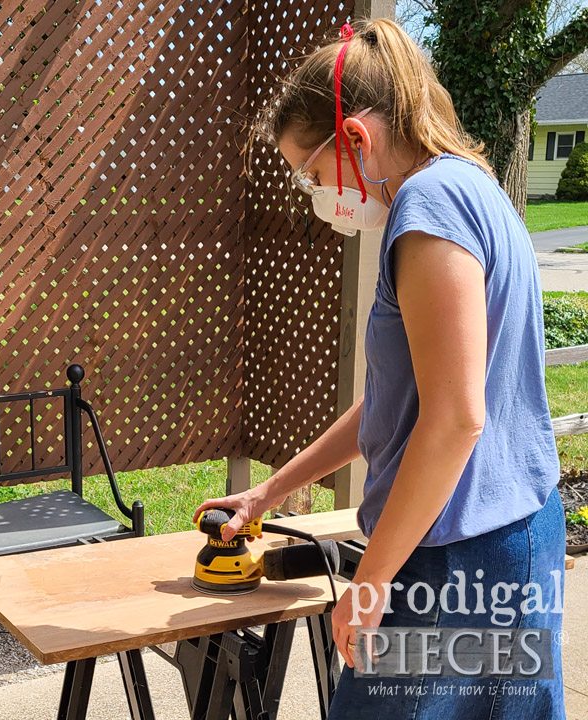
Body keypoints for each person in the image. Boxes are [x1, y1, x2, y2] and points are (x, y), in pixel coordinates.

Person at [193, 17, 566, 719]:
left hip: (454, 563)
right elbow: (401, 400)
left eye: (311, 172)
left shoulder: (426, 209)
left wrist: (371, 579)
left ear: (356, 140)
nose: (313, 193)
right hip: (515, 539)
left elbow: (455, 421)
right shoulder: (474, 188)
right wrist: (268, 494)